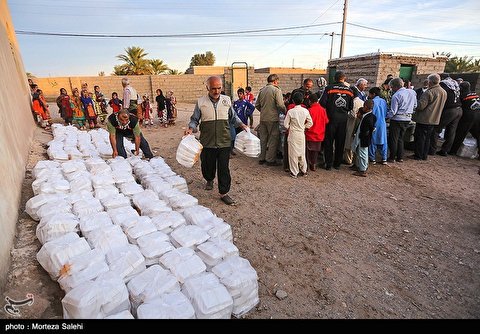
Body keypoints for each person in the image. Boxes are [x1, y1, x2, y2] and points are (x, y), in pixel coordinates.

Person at [185, 76, 248, 206]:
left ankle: (224, 192)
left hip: (224, 140)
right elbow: (195, 119)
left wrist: (242, 125)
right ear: (207, 87)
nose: (216, 91)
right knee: (207, 165)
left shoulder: (226, 100)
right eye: (213, 88)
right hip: (207, 141)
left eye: (219, 88)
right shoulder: (201, 102)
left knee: (224, 168)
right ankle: (209, 179)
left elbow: (233, 117)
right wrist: (191, 128)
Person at [320, 70, 354, 170]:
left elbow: (322, 103)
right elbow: (351, 106)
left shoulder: (329, 88)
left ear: (335, 78)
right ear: (344, 79)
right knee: (340, 142)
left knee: (329, 141)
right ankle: (337, 164)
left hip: (331, 119)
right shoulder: (349, 91)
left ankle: (328, 164)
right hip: (343, 120)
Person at [411, 73, 447, 160]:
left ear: (430, 82)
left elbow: (421, 106)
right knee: (427, 138)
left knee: (420, 137)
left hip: (425, 118)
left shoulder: (429, 92)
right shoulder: (443, 91)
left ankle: (418, 155)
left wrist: (415, 101)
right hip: (435, 119)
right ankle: (424, 155)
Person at [255, 74, 286, 166]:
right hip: (273, 118)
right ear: (275, 81)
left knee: (263, 139)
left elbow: (257, 105)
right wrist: (285, 111)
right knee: (273, 139)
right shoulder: (276, 90)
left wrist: (264, 111)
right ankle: (270, 160)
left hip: (263, 118)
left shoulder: (262, 90)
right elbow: (280, 104)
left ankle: (262, 158)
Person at [387, 77, 417, 163]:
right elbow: (415, 105)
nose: (392, 89)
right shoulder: (412, 92)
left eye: (392, 87)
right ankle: (400, 157)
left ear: (395, 86)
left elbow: (393, 111)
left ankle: (392, 157)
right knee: (401, 138)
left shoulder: (396, 96)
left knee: (394, 138)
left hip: (397, 119)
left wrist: (386, 117)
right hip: (407, 118)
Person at [284, 91, 313, 178]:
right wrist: (303, 127)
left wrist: (291, 127)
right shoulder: (305, 111)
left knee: (293, 154)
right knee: (302, 153)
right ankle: (304, 170)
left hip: (293, 134)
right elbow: (310, 123)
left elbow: (285, 125)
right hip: (301, 134)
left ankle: (294, 172)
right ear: (302, 100)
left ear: (293, 100)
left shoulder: (290, 111)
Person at [449, 81, 480, 156]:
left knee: (460, 134)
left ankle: (453, 151)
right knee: (478, 135)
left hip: (468, 118)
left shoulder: (462, 96)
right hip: (478, 116)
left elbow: (458, 106)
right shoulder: (476, 94)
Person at [351, 99, 376, 177]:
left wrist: (362, 136)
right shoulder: (372, 116)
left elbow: (367, 130)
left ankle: (362, 170)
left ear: (365, 107)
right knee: (361, 152)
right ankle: (360, 166)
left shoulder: (367, 118)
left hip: (363, 138)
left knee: (362, 154)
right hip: (364, 138)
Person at [305, 93, 329, 172]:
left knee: (308, 151)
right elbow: (326, 121)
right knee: (315, 151)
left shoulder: (309, 110)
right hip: (320, 134)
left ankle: (307, 164)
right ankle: (313, 164)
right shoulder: (323, 110)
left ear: (310, 101)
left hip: (310, 134)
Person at [231, 88, 255, 155]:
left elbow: (252, 108)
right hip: (236, 123)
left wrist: (248, 113)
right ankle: (232, 149)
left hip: (243, 122)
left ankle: (243, 148)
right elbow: (233, 111)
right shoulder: (236, 102)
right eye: (238, 93)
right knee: (234, 136)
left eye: (240, 93)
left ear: (243, 94)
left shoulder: (246, 102)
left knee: (243, 136)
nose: (239, 95)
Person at [368, 87, 388, 165]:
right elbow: (386, 112)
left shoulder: (372, 102)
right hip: (382, 123)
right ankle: (384, 158)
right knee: (383, 140)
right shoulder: (383, 101)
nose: (369, 95)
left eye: (370, 94)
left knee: (372, 140)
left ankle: (372, 158)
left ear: (373, 94)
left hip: (374, 122)